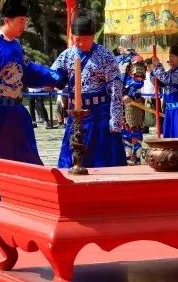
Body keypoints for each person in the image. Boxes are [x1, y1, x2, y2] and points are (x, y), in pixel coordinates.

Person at [0, 0, 66, 221]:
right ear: (8, 20)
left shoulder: (17, 46)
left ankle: (30, 201)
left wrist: (53, 77)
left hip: (15, 112)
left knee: (26, 158)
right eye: (21, 20)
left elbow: (27, 71)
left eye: (25, 21)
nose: (25, 25)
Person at [52, 11, 125, 169]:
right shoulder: (67, 55)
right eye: (76, 40)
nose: (80, 43)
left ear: (92, 37)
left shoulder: (105, 55)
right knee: (73, 155)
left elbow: (115, 87)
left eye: (84, 40)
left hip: (100, 113)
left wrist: (116, 118)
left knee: (102, 157)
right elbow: (54, 75)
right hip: (75, 113)